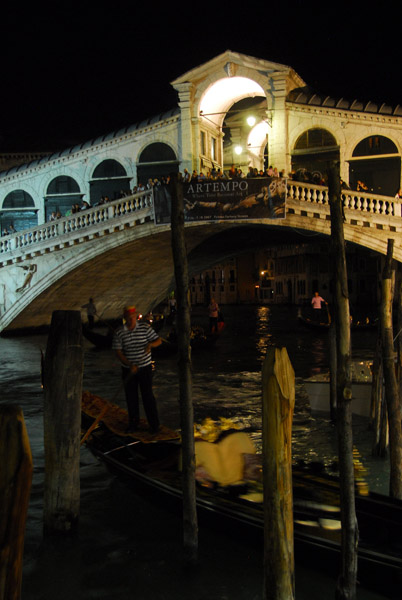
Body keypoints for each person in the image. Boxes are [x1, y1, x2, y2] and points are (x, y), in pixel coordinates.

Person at [112, 305, 162, 433]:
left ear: (135, 317)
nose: (131, 320)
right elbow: (118, 352)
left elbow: (158, 341)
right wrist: (129, 364)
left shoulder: (145, 328)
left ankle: (154, 425)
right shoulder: (119, 332)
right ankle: (133, 424)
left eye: (133, 317)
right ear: (125, 318)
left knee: (148, 396)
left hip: (145, 367)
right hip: (128, 369)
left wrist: (151, 344)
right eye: (128, 318)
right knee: (131, 397)